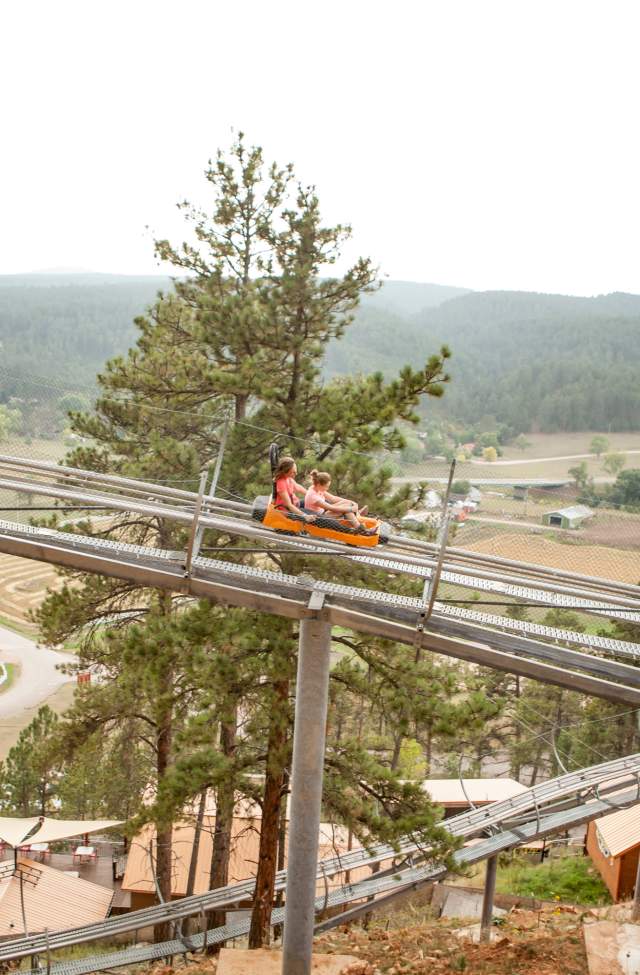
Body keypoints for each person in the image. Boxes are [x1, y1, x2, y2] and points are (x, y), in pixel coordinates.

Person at [304, 469, 372, 533]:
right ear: (319, 485)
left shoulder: (317, 488)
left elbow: (333, 498)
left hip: (324, 513)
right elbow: (331, 508)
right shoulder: (312, 496)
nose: (328, 488)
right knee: (347, 511)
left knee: (347, 504)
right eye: (326, 486)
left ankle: (358, 517)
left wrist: (351, 502)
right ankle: (360, 528)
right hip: (319, 518)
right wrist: (351, 509)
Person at [272, 457, 316, 522]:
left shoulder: (288, 478)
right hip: (289, 511)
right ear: (285, 472)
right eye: (293, 472)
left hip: (296, 504)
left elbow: (299, 488)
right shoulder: (281, 483)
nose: (296, 474)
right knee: (317, 515)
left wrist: (313, 496)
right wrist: (305, 516)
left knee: (316, 502)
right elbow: (289, 505)